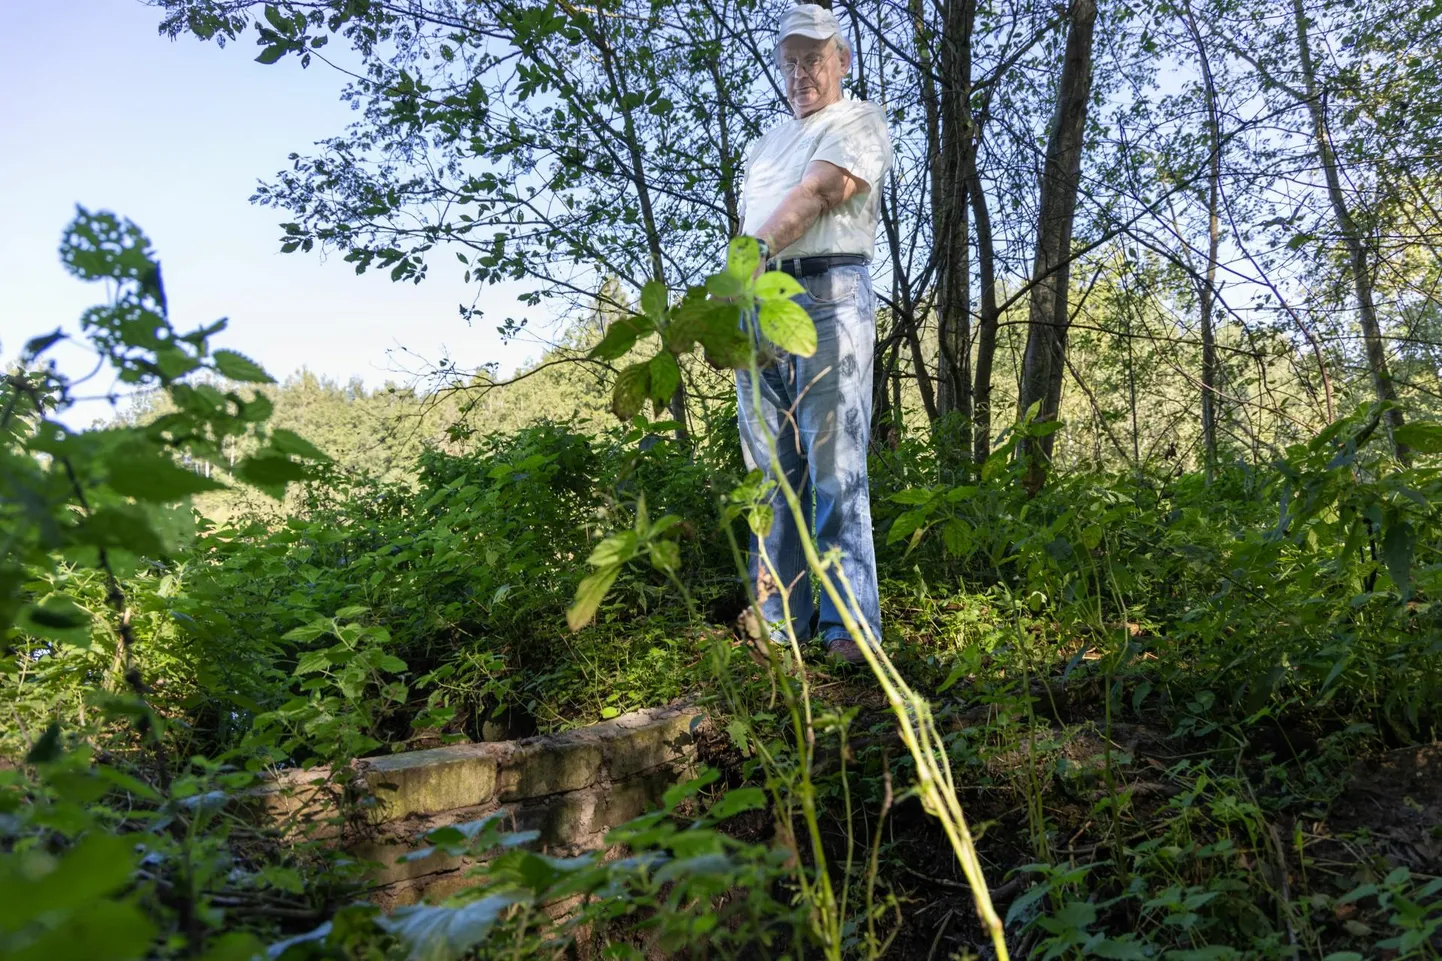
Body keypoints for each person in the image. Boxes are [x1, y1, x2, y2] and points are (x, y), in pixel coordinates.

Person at [736, 3, 893, 665]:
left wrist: (750, 251)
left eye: (814, 57)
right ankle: (779, 625)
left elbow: (823, 191)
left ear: (841, 59)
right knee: (770, 471)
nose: (802, 72)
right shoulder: (764, 144)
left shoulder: (858, 120)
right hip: (761, 301)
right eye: (791, 60)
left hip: (830, 294)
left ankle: (848, 628)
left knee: (833, 464)